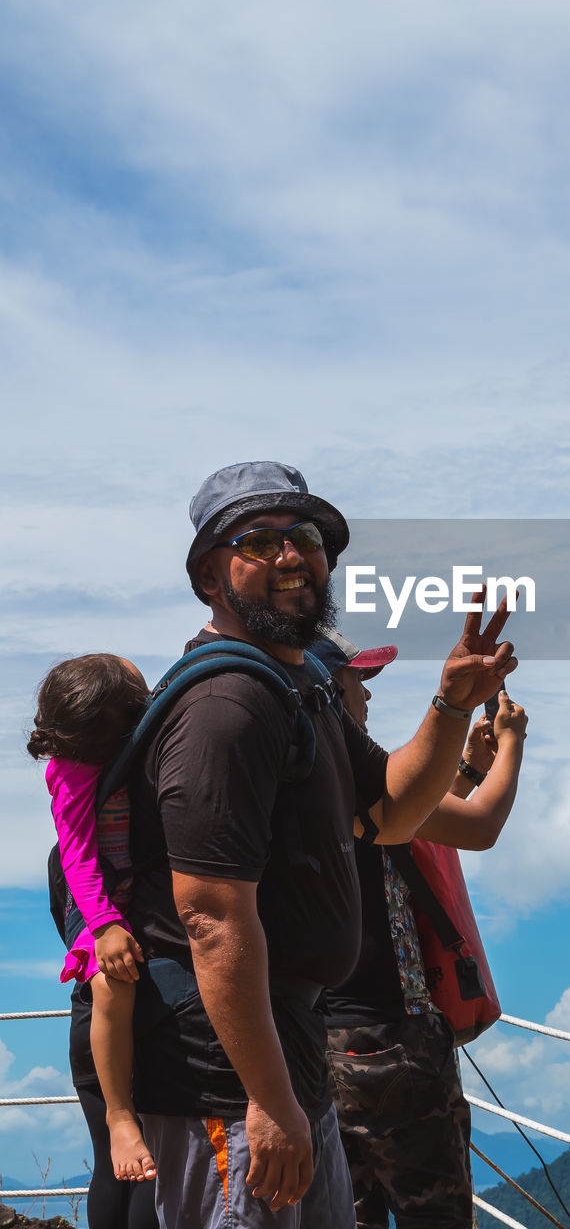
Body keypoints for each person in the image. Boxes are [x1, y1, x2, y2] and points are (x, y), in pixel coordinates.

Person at [125, 460, 517, 1229]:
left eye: (302, 537)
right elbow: (209, 916)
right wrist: (269, 1102)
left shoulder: (298, 691)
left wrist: (448, 704)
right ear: (209, 576)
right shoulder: (226, 708)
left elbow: (391, 812)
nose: (289, 556)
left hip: (291, 1051)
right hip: (231, 1078)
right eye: (257, 541)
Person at [313, 630, 527, 1229]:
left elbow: (403, 832)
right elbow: (479, 826)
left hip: (312, 1043)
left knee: (345, 1213)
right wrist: (511, 746)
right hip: (391, 1039)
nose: (367, 698)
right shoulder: (355, 779)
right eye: (359, 682)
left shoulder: (299, 781)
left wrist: (463, 768)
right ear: (330, 690)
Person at [29, 654, 158, 1191]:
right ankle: (120, 1115)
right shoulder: (71, 769)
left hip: (140, 896)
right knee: (110, 983)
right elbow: (78, 857)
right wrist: (104, 925)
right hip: (94, 900)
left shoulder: (148, 751)